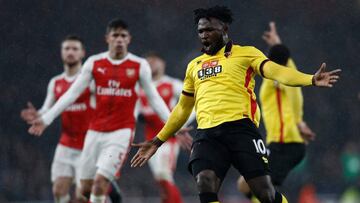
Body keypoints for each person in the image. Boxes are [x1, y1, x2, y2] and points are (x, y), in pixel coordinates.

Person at [130, 6, 341, 203]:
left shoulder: (246, 53)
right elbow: (183, 108)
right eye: (201, 31)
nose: (204, 35)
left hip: (241, 129)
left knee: (263, 191)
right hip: (207, 134)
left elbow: (276, 71)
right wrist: (158, 140)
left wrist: (310, 79)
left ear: (224, 29)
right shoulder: (194, 66)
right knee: (204, 182)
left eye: (209, 30)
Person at [28, 19, 191, 203]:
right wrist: (47, 118)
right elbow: (72, 94)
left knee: (99, 183)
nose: (119, 39)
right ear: (107, 38)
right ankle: (113, 194)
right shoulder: (94, 63)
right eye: (115, 35)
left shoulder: (138, 65)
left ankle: (108, 186)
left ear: (129, 39)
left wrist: (174, 126)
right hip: (95, 131)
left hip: (121, 133)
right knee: (85, 190)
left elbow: (154, 99)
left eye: (123, 36)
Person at [21, 35, 123, 203]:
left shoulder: (91, 80)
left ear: (82, 53)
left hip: (88, 145)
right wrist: (38, 115)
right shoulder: (56, 83)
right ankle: (107, 184)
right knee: (58, 190)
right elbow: (48, 108)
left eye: (74, 49)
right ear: (61, 53)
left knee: (83, 196)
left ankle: (108, 186)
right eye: (67, 48)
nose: (70, 52)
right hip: (66, 144)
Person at [237, 22, 316, 203]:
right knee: (246, 184)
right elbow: (283, 61)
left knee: (259, 185)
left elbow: (295, 93)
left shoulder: (278, 78)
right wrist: (276, 43)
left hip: (286, 142)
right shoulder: (271, 77)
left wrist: (299, 121)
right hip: (276, 143)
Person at [138, 52, 195, 203]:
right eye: (148, 61)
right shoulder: (141, 88)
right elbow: (135, 112)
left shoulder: (172, 84)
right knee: (160, 179)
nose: (151, 64)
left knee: (164, 175)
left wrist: (182, 124)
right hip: (149, 140)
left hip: (168, 140)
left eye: (154, 61)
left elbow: (194, 101)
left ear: (162, 64)